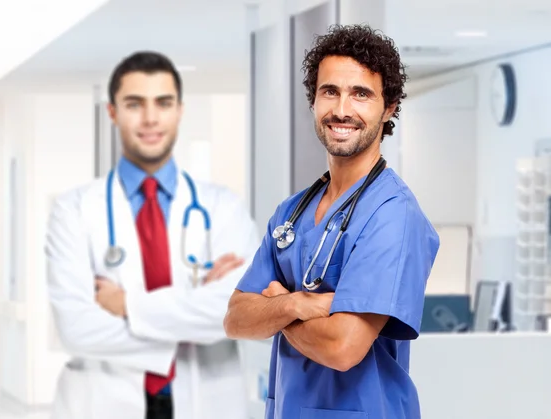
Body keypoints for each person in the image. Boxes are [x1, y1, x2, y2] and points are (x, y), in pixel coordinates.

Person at [224, 24, 440, 419]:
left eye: (361, 93)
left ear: (388, 107)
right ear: (314, 100)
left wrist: (275, 309)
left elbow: (343, 348)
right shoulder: (292, 212)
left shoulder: (393, 215)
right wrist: (301, 304)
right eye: (330, 91)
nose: (342, 109)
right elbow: (236, 319)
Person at [45, 51, 260, 419]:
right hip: (102, 403)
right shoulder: (73, 211)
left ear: (179, 110)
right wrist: (193, 311)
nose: (150, 118)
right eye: (134, 104)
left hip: (206, 400)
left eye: (163, 103)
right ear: (112, 111)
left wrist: (128, 306)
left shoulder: (222, 207)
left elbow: (246, 309)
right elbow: (76, 329)